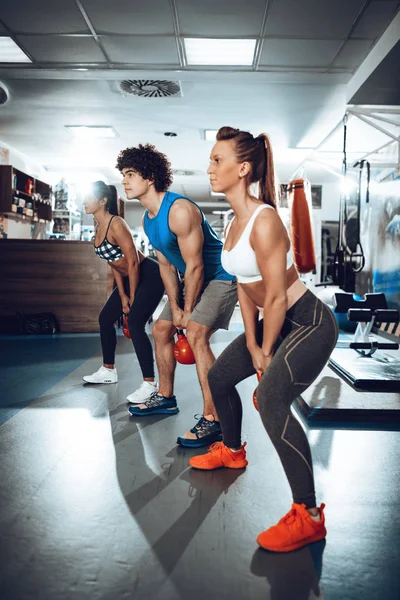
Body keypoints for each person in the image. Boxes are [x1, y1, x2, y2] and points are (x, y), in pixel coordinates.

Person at [189, 127, 339, 552]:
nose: (210, 169)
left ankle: (308, 515)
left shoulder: (265, 218)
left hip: (307, 322)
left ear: (243, 168)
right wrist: (252, 344)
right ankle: (232, 449)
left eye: (217, 161)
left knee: (271, 399)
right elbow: (245, 288)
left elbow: (275, 297)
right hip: (273, 322)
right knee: (219, 377)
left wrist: (264, 352)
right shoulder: (235, 222)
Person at [116, 144, 238, 448]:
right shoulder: (148, 219)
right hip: (192, 279)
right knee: (160, 329)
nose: (124, 181)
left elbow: (196, 266)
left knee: (196, 333)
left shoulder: (180, 210)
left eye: (130, 174)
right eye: (123, 174)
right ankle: (166, 397)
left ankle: (214, 419)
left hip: (221, 278)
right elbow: (167, 266)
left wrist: (187, 312)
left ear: (151, 176)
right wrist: (175, 306)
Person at [82, 181, 164, 403]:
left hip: (150, 275)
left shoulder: (116, 224)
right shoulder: (98, 228)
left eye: (88, 198)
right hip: (128, 277)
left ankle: (149, 383)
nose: (84, 202)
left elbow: (133, 263)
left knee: (136, 323)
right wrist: (122, 295)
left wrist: (134, 296)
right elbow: (113, 263)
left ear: (102, 201)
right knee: (105, 319)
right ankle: (108, 370)